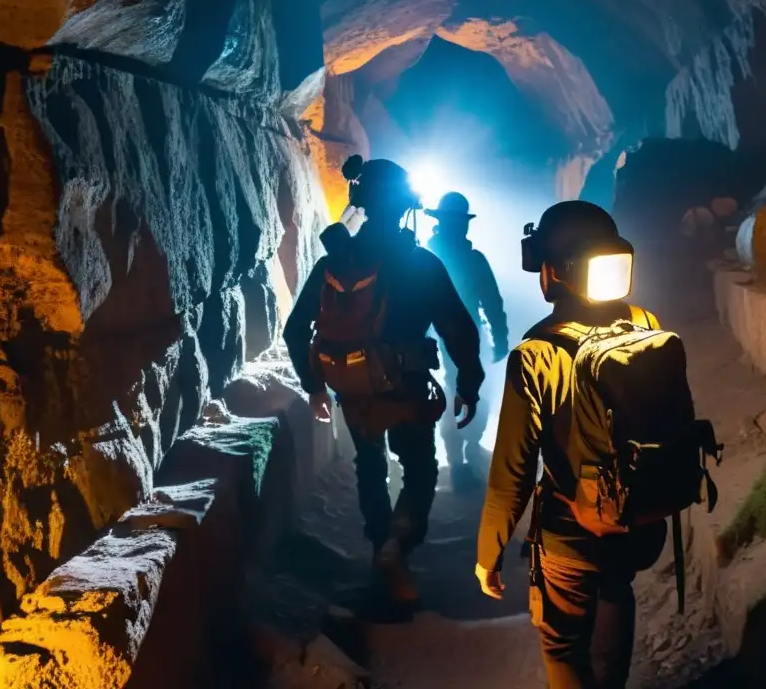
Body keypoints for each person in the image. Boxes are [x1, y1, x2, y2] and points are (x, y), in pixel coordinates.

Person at [475, 201, 672, 688]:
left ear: (554, 272)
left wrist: (488, 552)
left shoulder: (536, 352)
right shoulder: (646, 324)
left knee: (563, 645)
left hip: (570, 530)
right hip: (638, 521)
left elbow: (512, 470)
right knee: (616, 591)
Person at [284, 155, 485, 604]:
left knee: (370, 466)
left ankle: (380, 549)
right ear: (404, 206)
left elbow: (295, 329)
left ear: (362, 202)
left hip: (353, 388)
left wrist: (315, 385)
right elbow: (457, 327)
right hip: (408, 385)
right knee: (419, 467)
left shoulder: (334, 263)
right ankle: (398, 545)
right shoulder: (421, 264)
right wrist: (468, 383)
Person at [425, 191, 509, 491]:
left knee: (458, 394)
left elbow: (492, 300)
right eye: (457, 222)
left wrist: (499, 337)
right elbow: (491, 301)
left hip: (442, 338)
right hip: (456, 338)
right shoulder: (469, 260)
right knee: (462, 393)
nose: (461, 228)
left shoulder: (424, 257)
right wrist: (499, 338)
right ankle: (462, 460)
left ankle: (463, 457)